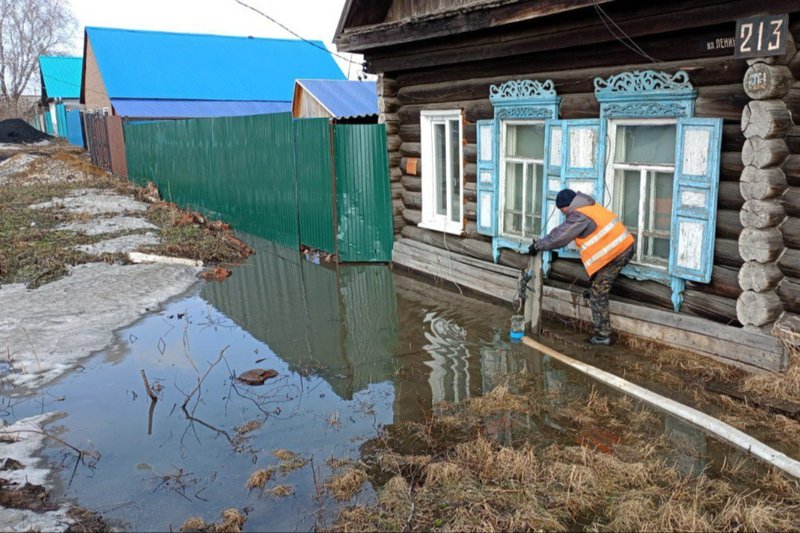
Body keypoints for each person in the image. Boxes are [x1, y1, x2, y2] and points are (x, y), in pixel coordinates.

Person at [529, 188, 634, 345]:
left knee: (598, 293)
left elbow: (560, 236)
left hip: (619, 252)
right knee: (596, 287)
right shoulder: (588, 207)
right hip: (620, 248)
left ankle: (603, 336)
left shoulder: (579, 214)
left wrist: (538, 245)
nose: (563, 214)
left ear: (566, 205)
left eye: (562, 210)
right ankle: (596, 307)